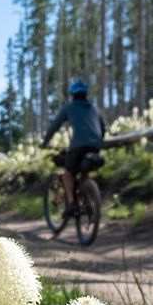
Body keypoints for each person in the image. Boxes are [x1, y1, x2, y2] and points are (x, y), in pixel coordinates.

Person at [40, 77, 106, 215]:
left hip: (78, 146)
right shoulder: (93, 108)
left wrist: (45, 142)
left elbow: (54, 126)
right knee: (84, 173)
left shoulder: (69, 107)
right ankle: (87, 200)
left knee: (68, 174)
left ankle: (72, 204)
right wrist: (98, 141)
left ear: (72, 95)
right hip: (95, 146)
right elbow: (102, 127)